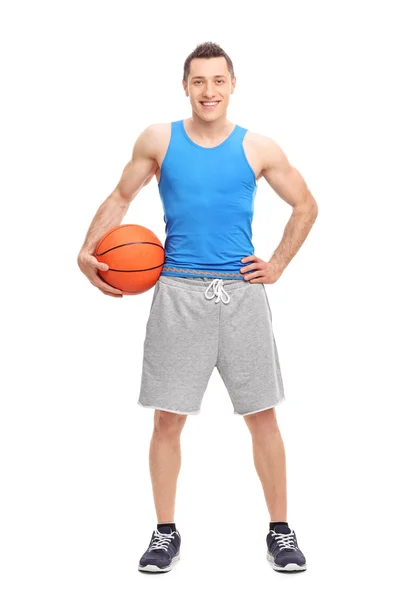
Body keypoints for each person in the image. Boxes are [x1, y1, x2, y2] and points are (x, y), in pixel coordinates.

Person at [77, 41, 318, 574]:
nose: (209, 91)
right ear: (184, 86)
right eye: (198, 81)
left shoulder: (259, 148)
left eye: (218, 81)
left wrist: (275, 264)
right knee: (167, 421)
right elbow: (121, 198)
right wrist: (86, 249)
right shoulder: (158, 140)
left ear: (233, 86)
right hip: (178, 292)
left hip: (242, 295)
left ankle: (280, 530)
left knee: (262, 417)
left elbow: (306, 204)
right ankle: (165, 533)